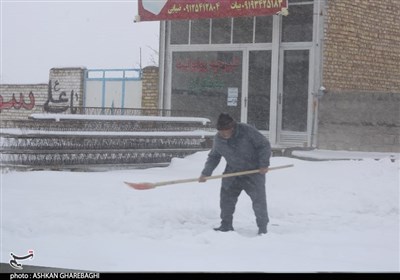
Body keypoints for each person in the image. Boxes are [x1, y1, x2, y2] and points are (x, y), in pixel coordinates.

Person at [198, 113, 271, 235]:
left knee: (259, 201)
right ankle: (226, 225)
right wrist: (206, 173)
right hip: (232, 173)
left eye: (226, 131)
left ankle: (262, 228)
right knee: (226, 200)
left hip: (253, 172)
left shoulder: (247, 131)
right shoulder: (218, 139)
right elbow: (214, 157)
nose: (224, 134)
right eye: (221, 132)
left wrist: (264, 164)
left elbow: (264, 145)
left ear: (232, 127)